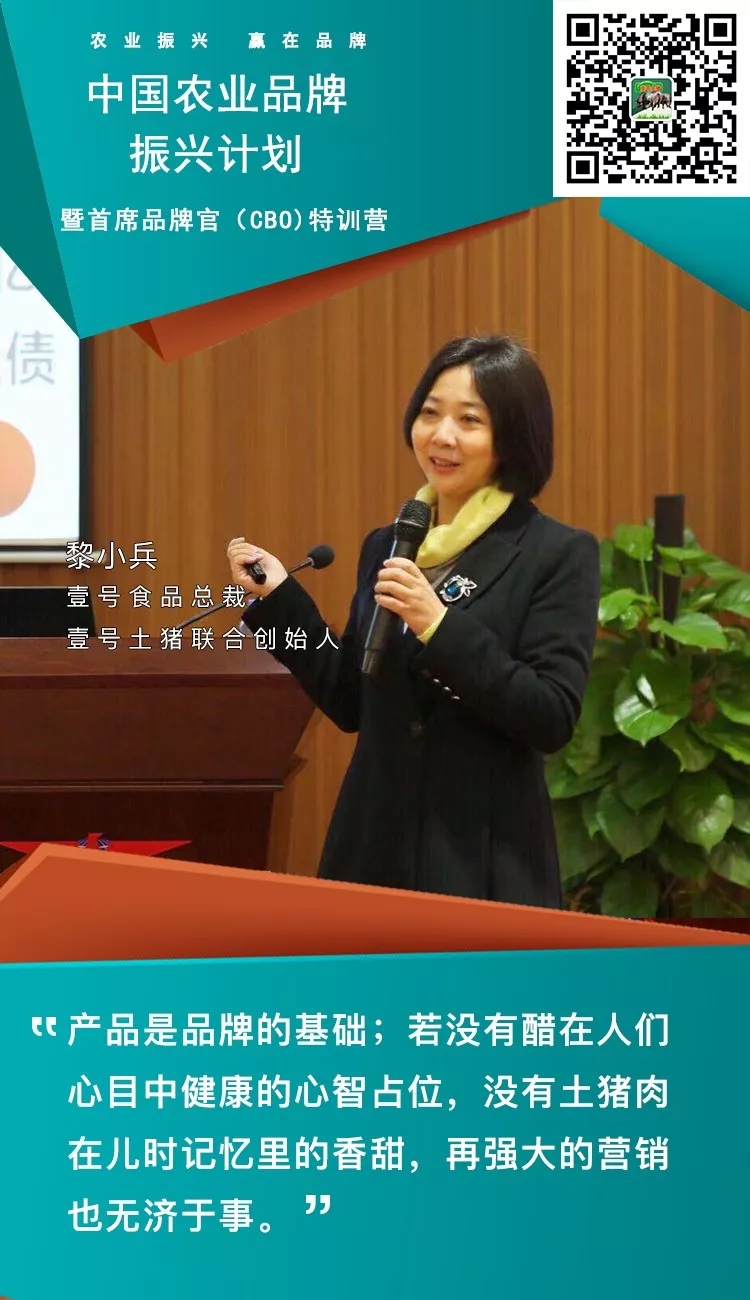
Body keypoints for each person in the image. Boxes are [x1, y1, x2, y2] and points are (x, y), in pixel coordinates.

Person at [227, 335, 600, 907]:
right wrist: (280, 601)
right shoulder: (390, 543)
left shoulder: (555, 553)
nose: (441, 436)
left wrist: (439, 627)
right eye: (430, 413)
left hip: (483, 860)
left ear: (512, 436)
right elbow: (351, 699)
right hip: (372, 849)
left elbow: (550, 716)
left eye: (469, 420)